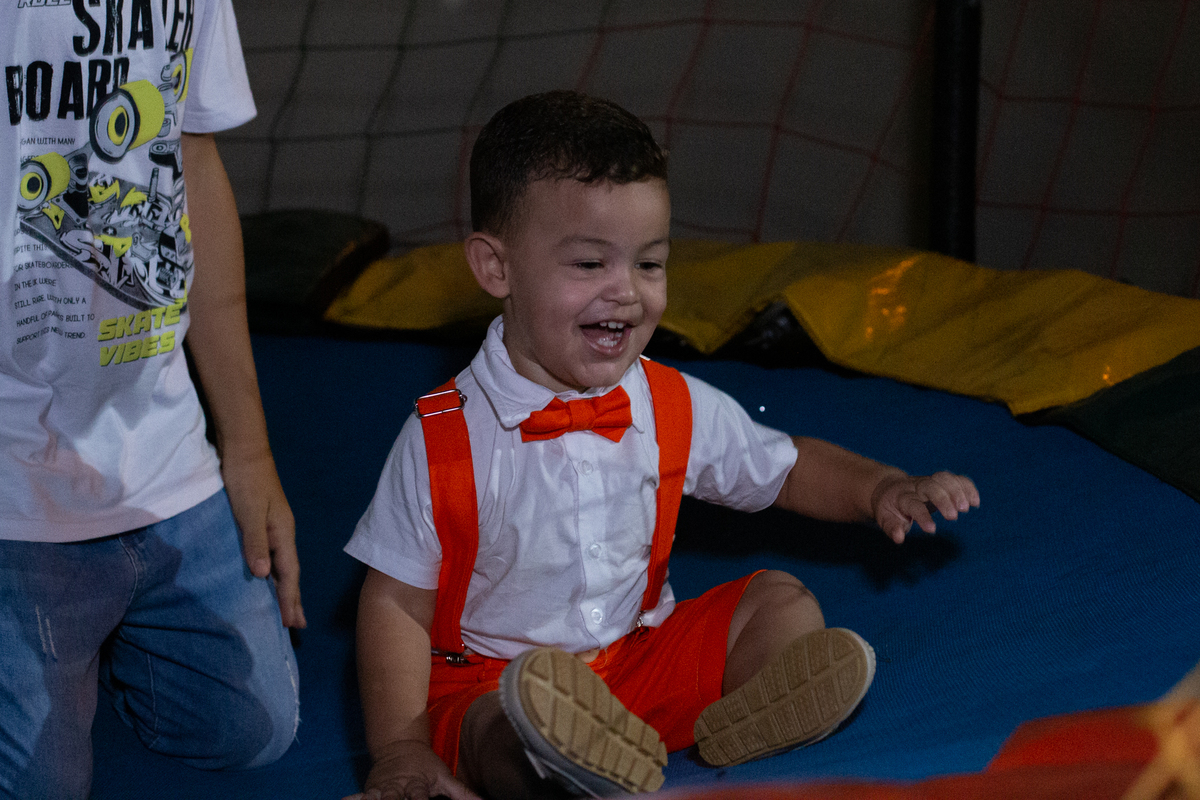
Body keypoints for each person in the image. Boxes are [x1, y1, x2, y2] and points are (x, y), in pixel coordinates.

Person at [344, 90, 979, 800]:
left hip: (639, 660)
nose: (627, 293)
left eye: (649, 264)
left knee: (778, 600)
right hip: (493, 680)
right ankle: (551, 761)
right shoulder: (444, 438)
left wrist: (879, 487)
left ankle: (741, 717)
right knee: (501, 729)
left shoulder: (668, 402)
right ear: (496, 268)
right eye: (590, 265)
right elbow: (396, 603)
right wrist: (400, 749)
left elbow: (785, 467)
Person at [0, 3, 304, 798]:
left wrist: (248, 449)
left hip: (160, 445)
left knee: (253, 731)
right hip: (14, 469)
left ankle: (101, 636)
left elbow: (191, 156)